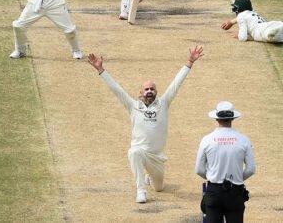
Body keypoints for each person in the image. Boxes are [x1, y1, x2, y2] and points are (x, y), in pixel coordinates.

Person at [86, 46, 204, 203]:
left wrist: (190, 62)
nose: (149, 91)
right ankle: (140, 191)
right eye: (146, 89)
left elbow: (176, 83)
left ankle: (150, 175)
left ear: (156, 92)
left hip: (157, 158)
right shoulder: (133, 106)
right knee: (133, 152)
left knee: (159, 188)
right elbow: (117, 89)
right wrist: (101, 70)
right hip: (141, 151)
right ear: (141, 92)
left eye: (152, 89)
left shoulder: (164, 103)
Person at [195, 101, 256, 223]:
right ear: (233, 117)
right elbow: (251, 169)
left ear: (216, 118)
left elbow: (199, 170)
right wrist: (238, 179)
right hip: (235, 191)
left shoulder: (207, 140)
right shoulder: (244, 140)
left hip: (214, 191)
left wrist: (213, 177)